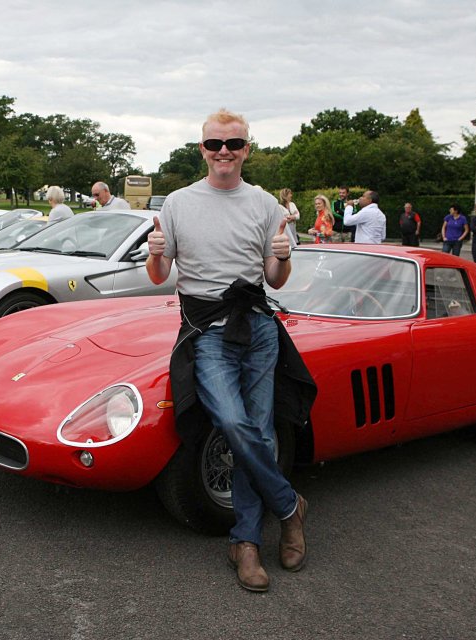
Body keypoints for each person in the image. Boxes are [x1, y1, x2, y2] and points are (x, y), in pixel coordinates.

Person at [146, 109, 314, 593]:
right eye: (215, 144)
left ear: (246, 148)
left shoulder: (264, 205)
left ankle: (245, 543)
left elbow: (276, 278)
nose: (224, 152)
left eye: (233, 143)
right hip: (206, 330)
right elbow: (160, 276)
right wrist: (157, 251)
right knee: (234, 423)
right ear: (202, 149)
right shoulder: (178, 203)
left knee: (258, 429)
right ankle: (289, 506)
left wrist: (282, 259)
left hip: (258, 326)